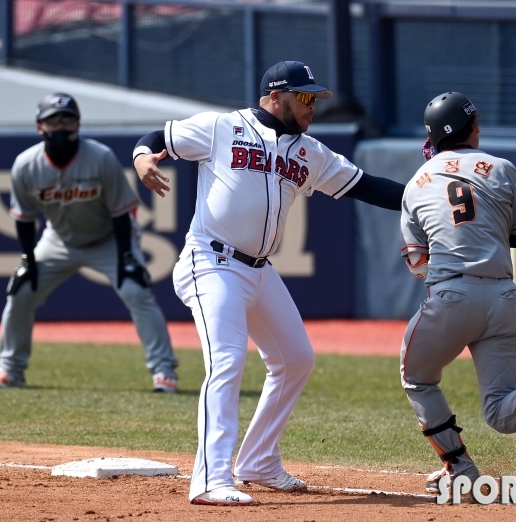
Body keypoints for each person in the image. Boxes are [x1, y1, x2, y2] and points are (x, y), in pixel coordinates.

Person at [133, 61, 405, 505]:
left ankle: (257, 460)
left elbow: (366, 186)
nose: (313, 105)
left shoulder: (310, 152)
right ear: (275, 97)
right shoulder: (222, 128)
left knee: (296, 359)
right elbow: (155, 140)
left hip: (259, 269)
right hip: (211, 260)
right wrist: (144, 159)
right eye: (305, 97)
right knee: (226, 362)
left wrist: (422, 195)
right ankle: (208, 479)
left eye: (315, 97)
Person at [400, 91, 516, 494]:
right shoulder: (501, 167)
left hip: (450, 298)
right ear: (472, 128)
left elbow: (415, 261)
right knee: (500, 410)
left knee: (417, 378)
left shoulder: (415, 183)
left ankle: (459, 468)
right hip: (503, 298)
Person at [0, 93, 179, 393]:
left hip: (109, 240)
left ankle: (164, 373)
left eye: (67, 119)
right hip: (58, 240)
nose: (60, 126)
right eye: (53, 120)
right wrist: (28, 260)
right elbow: (24, 219)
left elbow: (122, 212)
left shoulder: (100, 157)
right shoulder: (26, 164)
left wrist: (127, 256)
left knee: (137, 291)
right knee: (20, 293)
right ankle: (9, 370)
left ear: (78, 123)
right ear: (40, 127)